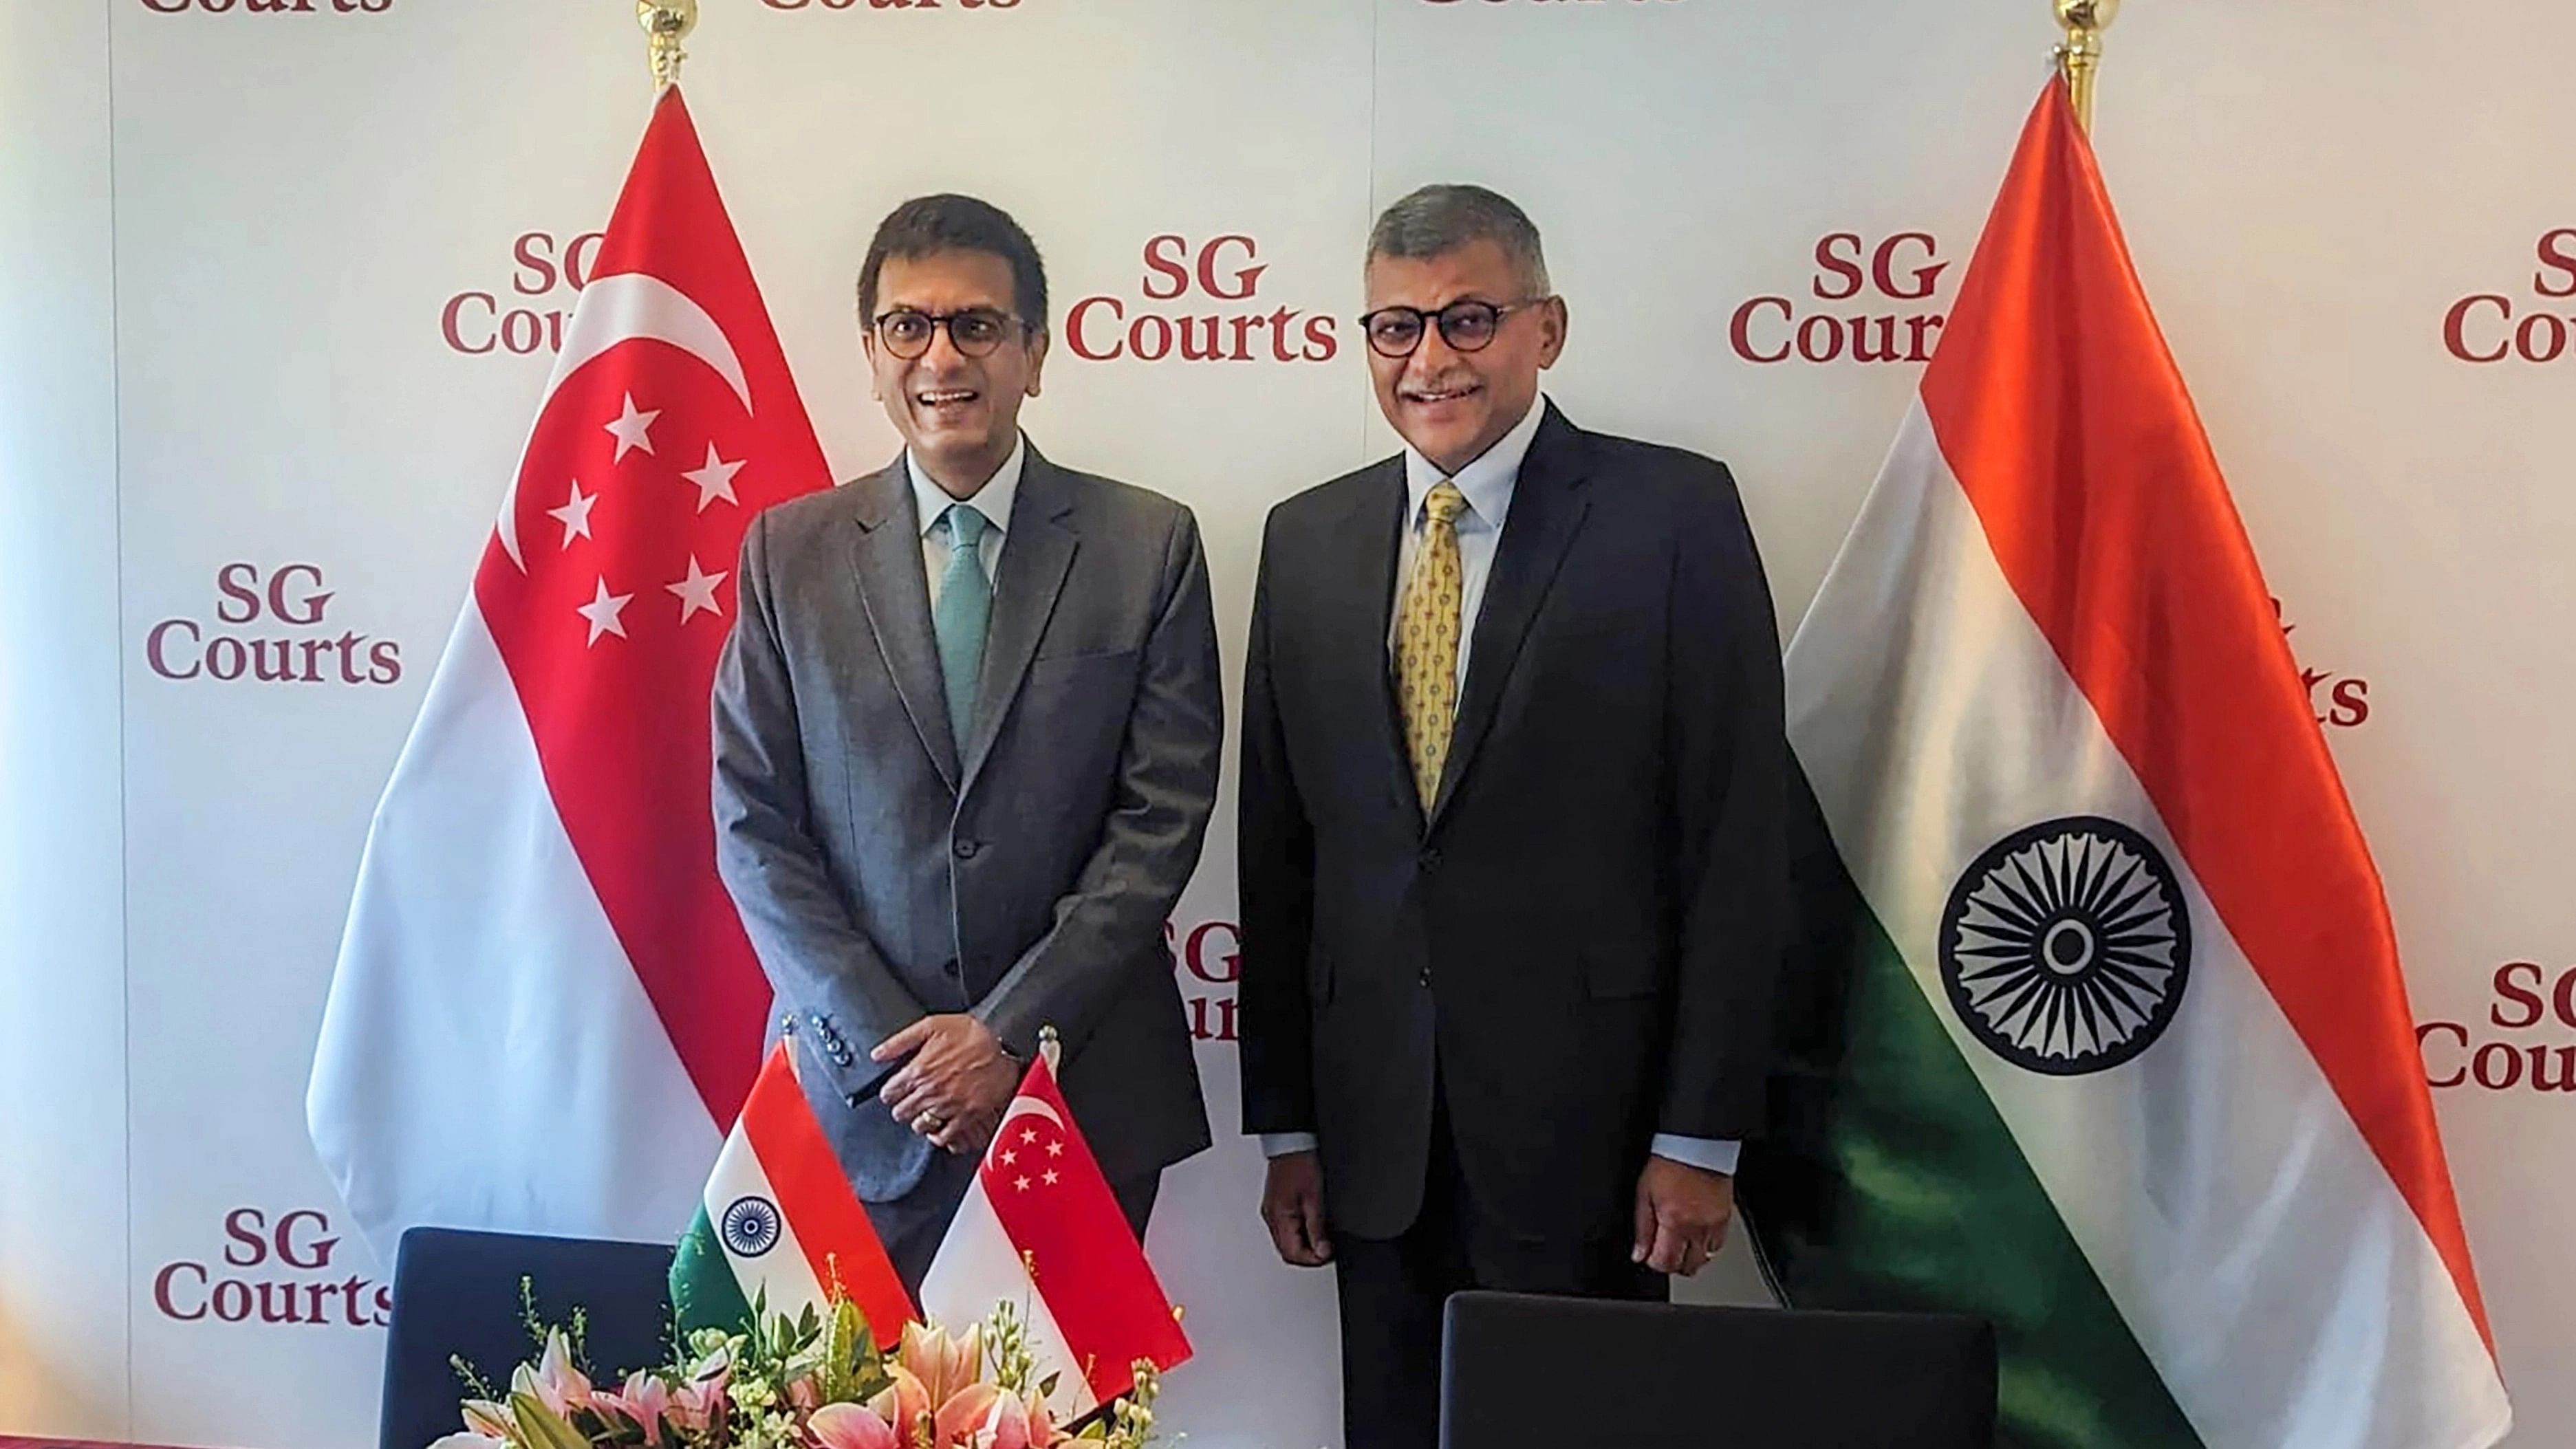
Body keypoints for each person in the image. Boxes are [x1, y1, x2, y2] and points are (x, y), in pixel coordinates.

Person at [1235, 184, 1790, 1448]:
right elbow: (1279, 860)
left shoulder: (1672, 517)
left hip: (1593, 1143)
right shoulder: (1304, 538)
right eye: (1394, 328)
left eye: (1468, 319)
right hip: (1372, 1142)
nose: (1429, 358)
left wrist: (1698, 1134)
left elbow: (1736, 846)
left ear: (1546, 328)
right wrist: (1290, 1127)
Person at [713, 193, 1220, 1287]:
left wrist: (1005, 1037)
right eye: (909, 326)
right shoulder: (784, 555)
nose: (942, 356)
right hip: (856, 1103)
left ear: (1035, 351)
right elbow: (753, 825)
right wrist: (901, 1054)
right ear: (871, 353)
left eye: (977, 326)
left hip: (1077, 1092)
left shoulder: (1148, 545)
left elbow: (1159, 824)